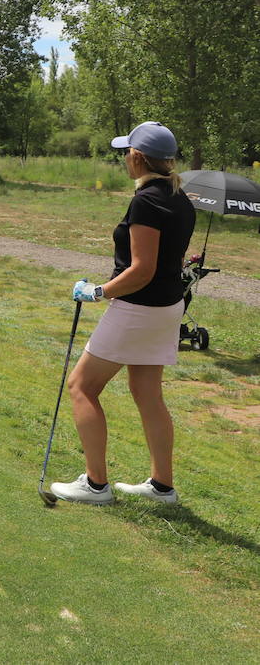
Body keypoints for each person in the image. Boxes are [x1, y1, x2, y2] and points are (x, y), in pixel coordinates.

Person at [51, 121, 195, 506]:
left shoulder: (146, 201)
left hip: (139, 308)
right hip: (167, 308)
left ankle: (96, 485)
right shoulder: (179, 196)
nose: (124, 160)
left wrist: (97, 292)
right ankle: (162, 487)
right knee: (147, 393)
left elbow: (141, 270)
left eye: (126, 153)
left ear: (137, 156)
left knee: (81, 386)